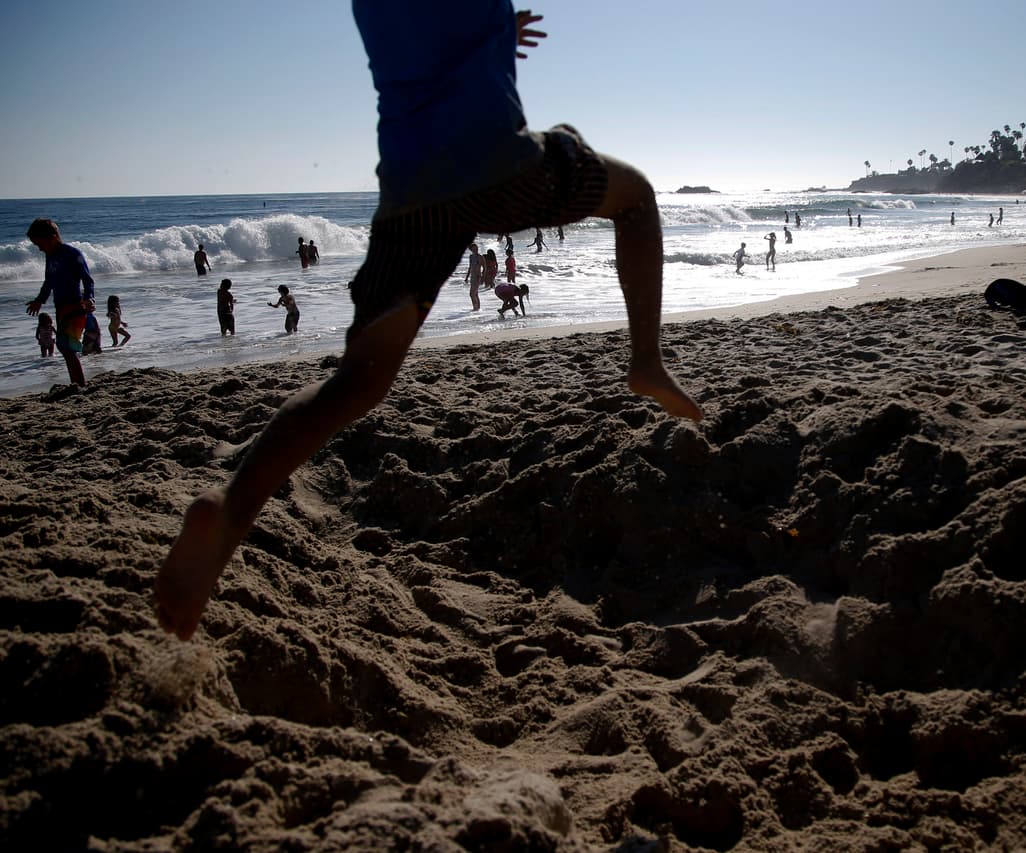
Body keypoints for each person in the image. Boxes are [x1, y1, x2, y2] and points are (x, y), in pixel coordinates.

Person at [154, 1, 701, 641]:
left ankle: (227, 513)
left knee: (355, 382)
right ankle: (646, 360)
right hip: (500, 166)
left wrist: (494, 32)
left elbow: (428, 37)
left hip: (412, 189)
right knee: (634, 196)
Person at [24, 218, 95, 386]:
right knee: (65, 347)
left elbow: (87, 279)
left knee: (66, 347)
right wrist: (39, 300)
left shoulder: (72, 253)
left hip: (76, 305)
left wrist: (89, 297)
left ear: (53, 237)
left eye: (40, 244)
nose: (40, 249)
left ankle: (79, 384)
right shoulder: (50, 257)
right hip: (60, 306)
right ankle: (77, 383)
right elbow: (49, 281)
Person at [465, 242, 483, 310]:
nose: (476, 250)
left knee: (472, 294)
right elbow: (470, 267)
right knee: (475, 294)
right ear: (471, 250)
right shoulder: (471, 257)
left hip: (478, 276)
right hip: (472, 276)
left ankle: (475, 308)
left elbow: (484, 267)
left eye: (477, 248)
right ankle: (477, 308)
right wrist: (466, 277)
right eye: (474, 249)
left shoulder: (480, 257)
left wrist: (483, 277)